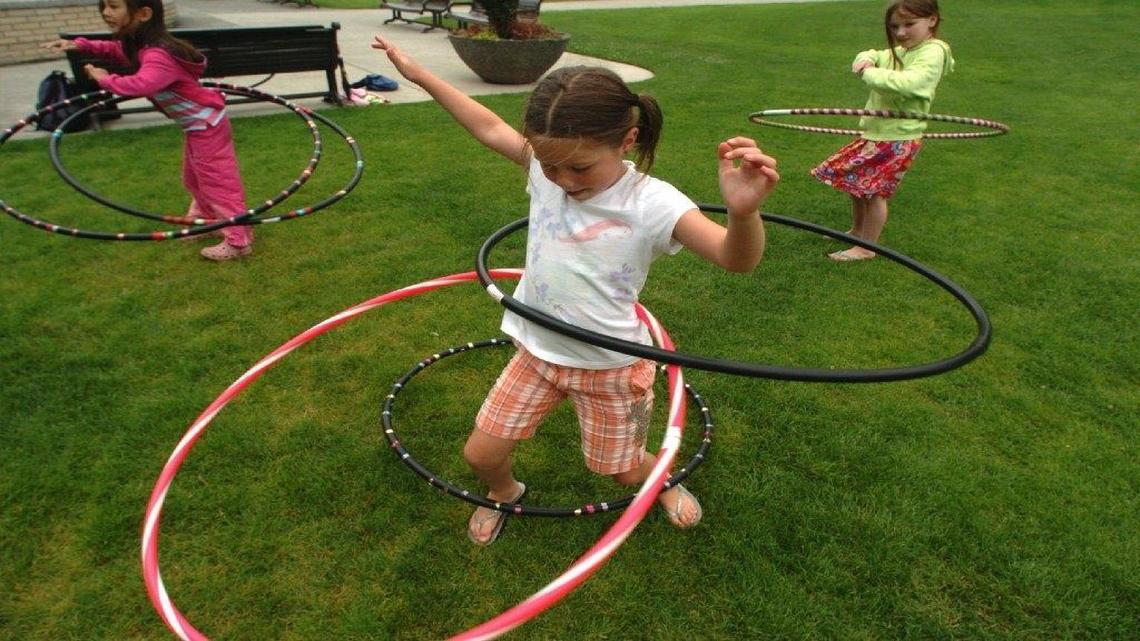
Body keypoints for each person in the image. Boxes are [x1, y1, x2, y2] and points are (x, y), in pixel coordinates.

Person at [372, 36, 780, 545]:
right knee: (481, 455)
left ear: (627, 141)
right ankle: (504, 492)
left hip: (609, 364)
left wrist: (743, 213)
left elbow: (734, 259)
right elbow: (487, 125)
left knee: (623, 472)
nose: (562, 179)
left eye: (579, 167)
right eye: (548, 164)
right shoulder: (549, 169)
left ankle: (661, 480)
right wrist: (422, 75)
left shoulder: (652, 203)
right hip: (536, 350)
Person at [42, 0, 253, 261]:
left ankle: (238, 241)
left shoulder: (157, 54)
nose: (106, 13)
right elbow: (115, 50)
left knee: (218, 182)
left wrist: (103, 78)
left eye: (114, 6)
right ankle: (208, 220)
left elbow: (142, 84)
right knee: (194, 178)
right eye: (104, 6)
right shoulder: (143, 46)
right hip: (197, 124)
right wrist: (80, 44)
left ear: (143, 13)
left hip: (205, 124)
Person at [811, 0, 953, 262]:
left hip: (898, 135)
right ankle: (856, 232)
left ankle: (866, 248)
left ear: (932, 20)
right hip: (875, 133)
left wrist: (869, 73)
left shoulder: (933, 51)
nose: (900, 33)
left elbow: (910, 84)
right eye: (895, 26)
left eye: (909, 24)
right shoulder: (901, 50)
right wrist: (866, 58)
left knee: (874, 192)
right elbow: (876, 53)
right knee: (855, 185)